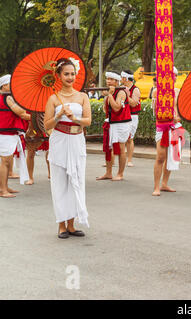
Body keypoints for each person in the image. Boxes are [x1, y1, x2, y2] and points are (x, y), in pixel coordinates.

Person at [43, 58, 91, 238]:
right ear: (59, 76)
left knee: (76, 181)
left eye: (72, 74)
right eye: (66, 74)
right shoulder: (53, 99)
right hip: (59, 141)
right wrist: (59, 116)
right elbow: (47, 125)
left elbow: (88, 121)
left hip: (77, 140)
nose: (70, 77)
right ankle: (61, 224)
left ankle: (72, 224)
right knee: (60, 182)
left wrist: (75, 119)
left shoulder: (82, 96)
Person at [151, 67, 181, 196]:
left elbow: (180, 112)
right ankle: (156, 186)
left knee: (171, 157)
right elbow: (155, 111)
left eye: (174, 75)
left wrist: (177, 118)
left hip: (175, 126)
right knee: (161, 156)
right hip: (162, 126)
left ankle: (164, 184)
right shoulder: (156, 91)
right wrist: (166, 115)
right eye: (170, 75)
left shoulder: (178, 91)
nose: (173, 77)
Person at [96, 71, 131, 181]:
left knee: (121, 148)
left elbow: (116, 108)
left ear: (117, 81)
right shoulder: (110, 92)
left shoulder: (121, 92)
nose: (108, 81)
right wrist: (106, 98)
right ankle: (108, 173)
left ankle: (120, 174)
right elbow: (106, 109)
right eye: (107, 79)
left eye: (111, 79)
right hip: (111, 122)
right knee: (109, 148)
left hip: (122, 123)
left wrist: (110, 95)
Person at [0, 74, 30, 198]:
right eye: (11, 84)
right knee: (5, 161)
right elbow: (21, 113)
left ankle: (5, 187)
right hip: (5, 133)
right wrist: (35, 116)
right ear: (5, 85)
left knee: (6, 161)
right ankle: (3, 190)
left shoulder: (6, 97)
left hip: (7, 133)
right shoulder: (8, 98)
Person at [121, 70, 141, 167]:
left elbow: (133, 103)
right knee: (121, 138)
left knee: (129, 138)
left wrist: (126, 95)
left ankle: (129, 160)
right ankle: (120, 159)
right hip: (123, 115)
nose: (121, 79)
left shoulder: (135, 89)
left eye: (122, 77)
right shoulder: (121, 88)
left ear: (125, 78)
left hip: (132, 116)